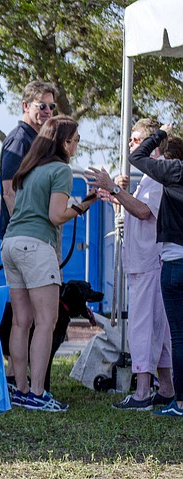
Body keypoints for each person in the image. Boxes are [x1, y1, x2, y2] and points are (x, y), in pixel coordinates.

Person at [2, 115, 97, 412]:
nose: (78, 145)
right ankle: (39, 394)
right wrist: (84, 204)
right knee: (46, 322)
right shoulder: (60, 170)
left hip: (11, 243)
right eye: (76, 140)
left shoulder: (30, 169)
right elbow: (56, 216)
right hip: (36, 246)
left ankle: (20, 389)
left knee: (21, 322)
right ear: (64, 143)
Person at [85, 118, 174, 410]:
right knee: (156, 329)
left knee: (143, 327)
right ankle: (167, 388)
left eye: (135, 140)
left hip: (149, 262)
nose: (131, 145)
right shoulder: (150, 178)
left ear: (150, 144)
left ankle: (142, 393)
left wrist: (114, 188)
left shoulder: (158, 176)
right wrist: (115, 195)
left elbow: (144, 211)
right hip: (144, 261)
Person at [128, 123, 183, 417]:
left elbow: (137, 159)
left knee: (172, 334)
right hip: (168, 259)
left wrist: (158, 134)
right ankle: (170, 391)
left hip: (168, 259)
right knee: (173, 334)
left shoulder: (169, 172)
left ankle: (169, 398)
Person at [0, 81, 59, 239]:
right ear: (25, 106)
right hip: (24, 238)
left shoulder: (38, 141)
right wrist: (25, 231)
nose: (48, 111)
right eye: (42, 106)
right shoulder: (19, 141)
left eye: (51, 106)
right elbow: (9, 192)